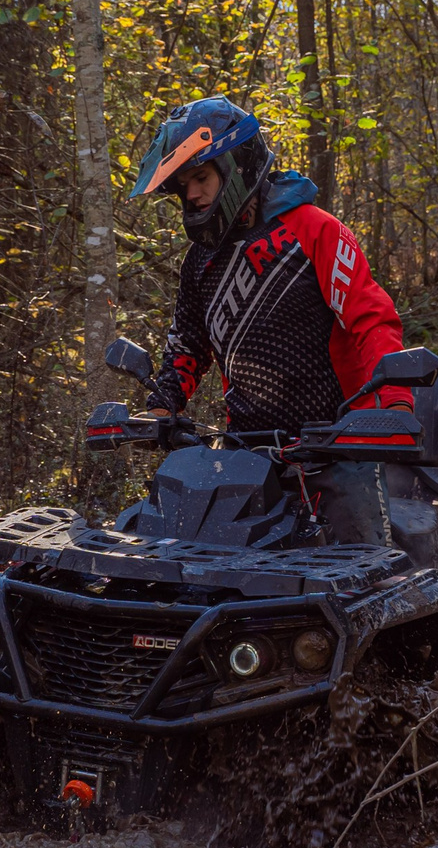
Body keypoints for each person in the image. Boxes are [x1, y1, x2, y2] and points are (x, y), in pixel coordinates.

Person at [127, 95, 411, 545]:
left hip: (339, 445)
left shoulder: (315, 229)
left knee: (368, 567)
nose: (192, 194)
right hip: (245, 452)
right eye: (182, 185)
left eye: (200, 178)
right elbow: (188, 344)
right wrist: (163, 406)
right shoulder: (200, 261)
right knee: (208, 566)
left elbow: (370, 319)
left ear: (237, 166)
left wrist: (395, 404)